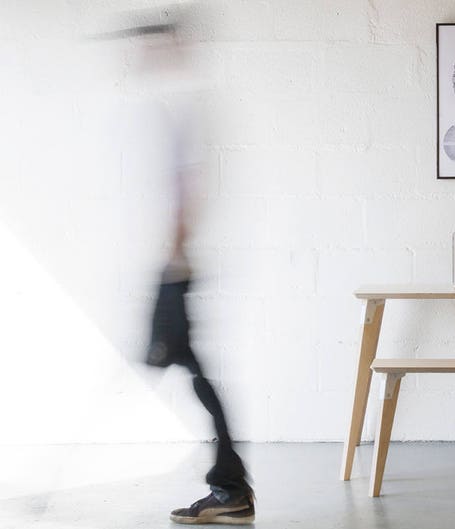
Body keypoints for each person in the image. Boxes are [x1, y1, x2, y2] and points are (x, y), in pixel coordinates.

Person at [100, 5, 255, 524]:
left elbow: (188, 187)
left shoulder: (183, 101)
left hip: (173, 265)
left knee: (177, 363)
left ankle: (229, 486)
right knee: (184, 364)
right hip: (168, 263)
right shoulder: (166, 102)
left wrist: (173, 254)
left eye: (153, 44)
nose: (143, 54)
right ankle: (230, 487)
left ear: (171, 46)